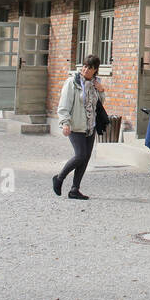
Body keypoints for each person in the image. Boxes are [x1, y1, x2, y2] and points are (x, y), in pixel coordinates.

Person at [52, 56, 106, 200]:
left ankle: (75, 189)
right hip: (75, 125)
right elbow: (63, 105)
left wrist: (101, 90)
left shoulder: (96, 83)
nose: (85, 69)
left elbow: (99, 104)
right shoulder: (72, 82)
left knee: (85, 158)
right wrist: (65, 123)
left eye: (89, 67)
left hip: (90, 126)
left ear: (95, 70)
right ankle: (59, 178)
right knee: (80, 155)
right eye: (84, 66)